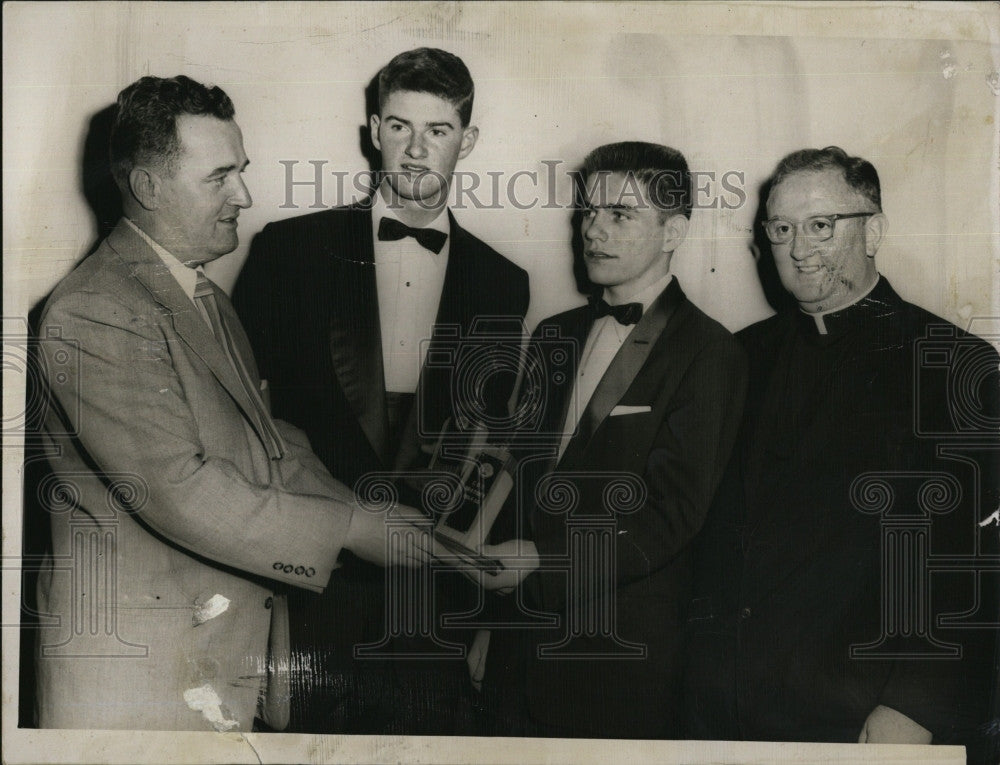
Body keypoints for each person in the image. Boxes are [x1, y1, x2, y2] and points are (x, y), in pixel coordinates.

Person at [33, 75, 433, 731]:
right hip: (135, 685)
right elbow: (180, 491)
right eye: (219, 177)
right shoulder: (96, 308)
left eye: (240, 171)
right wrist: (352, 531)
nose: (243, 195)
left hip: (210, 669)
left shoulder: (204, 298)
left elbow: (269, 445)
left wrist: (370, 512)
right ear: (149, 189)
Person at [232, 48, 529, 734]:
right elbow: (239, 413)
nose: (418, 149)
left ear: (469, 139)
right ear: (373, 129)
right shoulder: (290, 251)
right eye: (400, 127)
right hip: (309, 585)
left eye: (439, 130)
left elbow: (491, 447)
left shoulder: (502, 283)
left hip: (432, 603)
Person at [685, 146, 1000, 762]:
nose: (800, 249)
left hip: (863, 718)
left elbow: (981, 568)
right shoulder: (739, 356)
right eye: (781, 229)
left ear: (874, 230)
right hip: (723, 710)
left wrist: (915, 706)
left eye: (821, 225)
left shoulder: (958, 367)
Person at [480, 141, 747, 738]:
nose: (593, 231)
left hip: (616, 658)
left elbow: (673, 516)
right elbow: (521, 474)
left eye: (620, 215)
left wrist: (541, 563)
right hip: (516, 645)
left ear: (674, 231)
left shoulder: (710, 352)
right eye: (588, 213)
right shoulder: (554, 333)